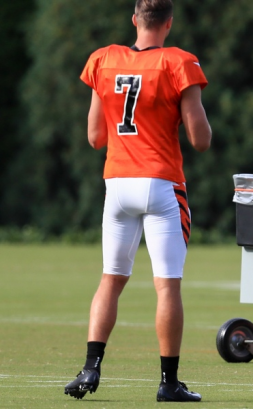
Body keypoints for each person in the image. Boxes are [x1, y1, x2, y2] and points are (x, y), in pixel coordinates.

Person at [64, 0, 211, 402]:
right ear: (169, 23)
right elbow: (201, 140)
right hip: (161, 183)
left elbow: (95, 138)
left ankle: (90, 369)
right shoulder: (179, 62)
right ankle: (168, 382)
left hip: (117, 184)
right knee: (167, 288)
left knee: (110, 281)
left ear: (134, 20)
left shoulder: (104, 60)